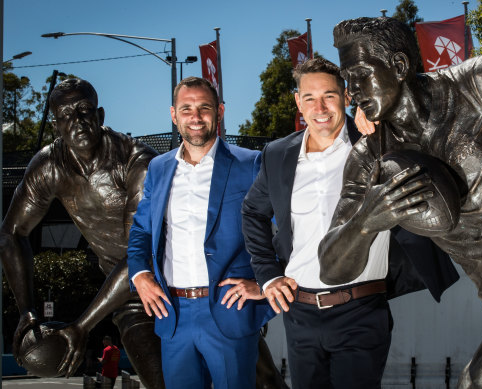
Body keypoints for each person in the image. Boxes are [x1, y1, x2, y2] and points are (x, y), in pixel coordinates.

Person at [323, 16, 482, 388]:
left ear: (398, 66)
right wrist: (365, 222)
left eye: (361, 75)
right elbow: (332, 268)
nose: (353, 91)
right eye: (348, 81)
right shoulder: (370, 160)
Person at [241, 58, 458, 389]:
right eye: (309, 98)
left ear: (346, 96)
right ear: (298, 102)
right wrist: (268, 277)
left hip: (360, 309)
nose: (320, 107)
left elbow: (420, 115)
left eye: (329, 95)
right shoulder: (277, 154)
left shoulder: (374, 140)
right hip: (299, 313)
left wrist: (381, 119)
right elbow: (253, 213)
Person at [0, 78, 164, 387]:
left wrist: (82, 327)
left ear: (100, 117)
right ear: (56, 125)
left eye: (84, 110)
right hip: (130, 298)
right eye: (65, 114)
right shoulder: (48, 166)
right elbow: (10, 234)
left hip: (180, 281)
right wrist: (26, 312)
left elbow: (138, 257)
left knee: (260, 378)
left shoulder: (137, 161)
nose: (77, 121)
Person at [127, 76, 275, 389]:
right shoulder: (158, 168)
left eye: (204, 108)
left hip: (229, 311)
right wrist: (139, 274)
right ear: (173, 114)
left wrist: (266, 282)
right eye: (187, 109)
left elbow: (281, 229)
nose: (196, 117)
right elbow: (141, 229)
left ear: (219, 111)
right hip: (173, 314)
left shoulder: (250, 164)